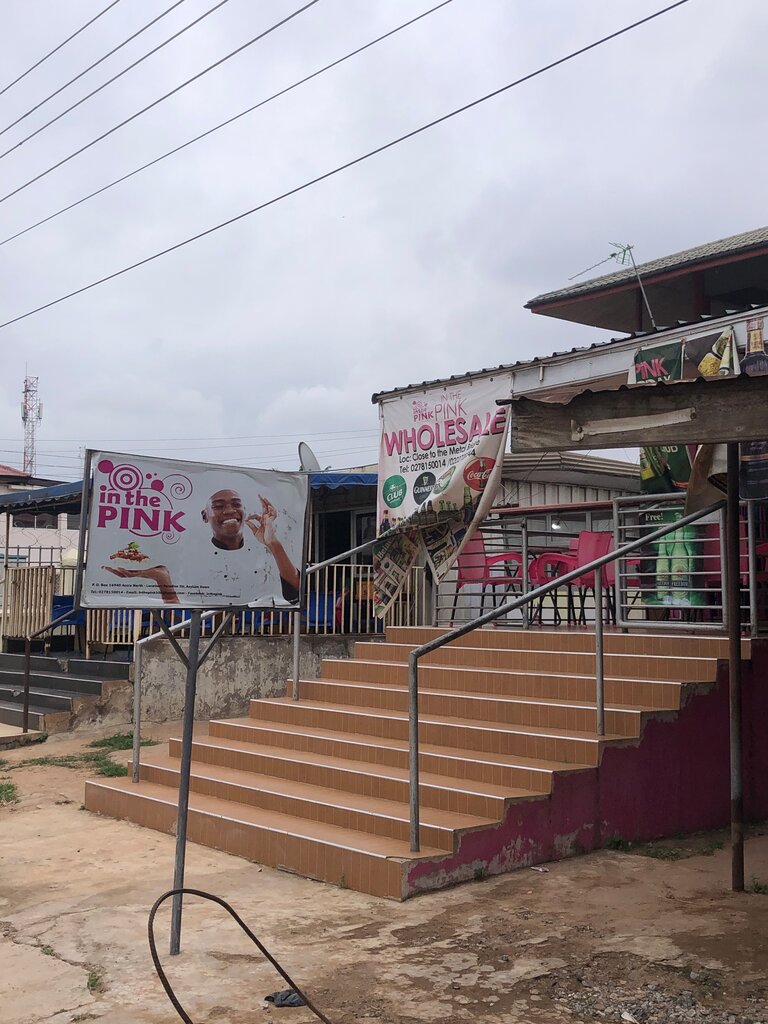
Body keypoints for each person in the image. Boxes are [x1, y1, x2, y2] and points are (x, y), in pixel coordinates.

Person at [103, 490, 300, 606]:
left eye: (236, 504)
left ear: (244, 511)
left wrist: (273, 543)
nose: (229, 511)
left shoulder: (264, 552)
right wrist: (162, 579)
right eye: (219, 506)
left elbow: (295, 593)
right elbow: (179, 616)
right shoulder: (190, 558)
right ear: (204, 516)